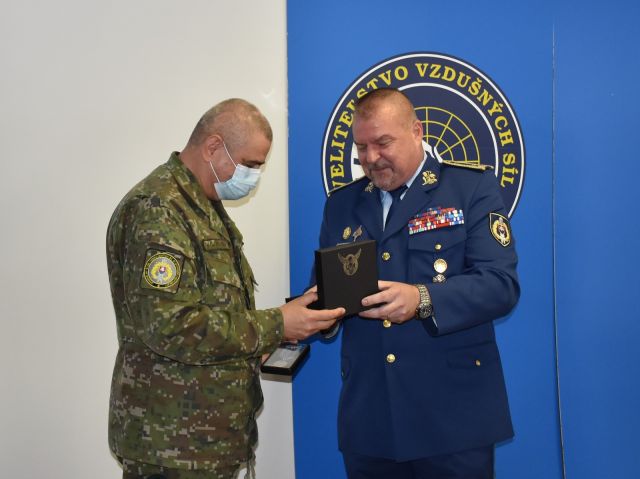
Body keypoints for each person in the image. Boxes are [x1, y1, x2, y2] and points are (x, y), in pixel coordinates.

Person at [106, 98, 344, 479]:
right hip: (171, 446)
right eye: (250, 164)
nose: (254, 176)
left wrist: (268, 337)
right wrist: (276, 324)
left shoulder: (201, 203)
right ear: (213, 146)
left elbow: (216, 311)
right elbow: (169, 325)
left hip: (207, 440)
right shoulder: (159, 210)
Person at [316, 88, 520, 478]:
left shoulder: (470, 188)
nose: (371, 158)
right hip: (371, 420)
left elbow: (500, 284)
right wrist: (308, 318)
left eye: (383, 143)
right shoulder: (341, 204)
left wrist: (422, 298)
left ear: (417, 132)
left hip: (453, 419)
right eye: (362, 147)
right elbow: (326, 294)